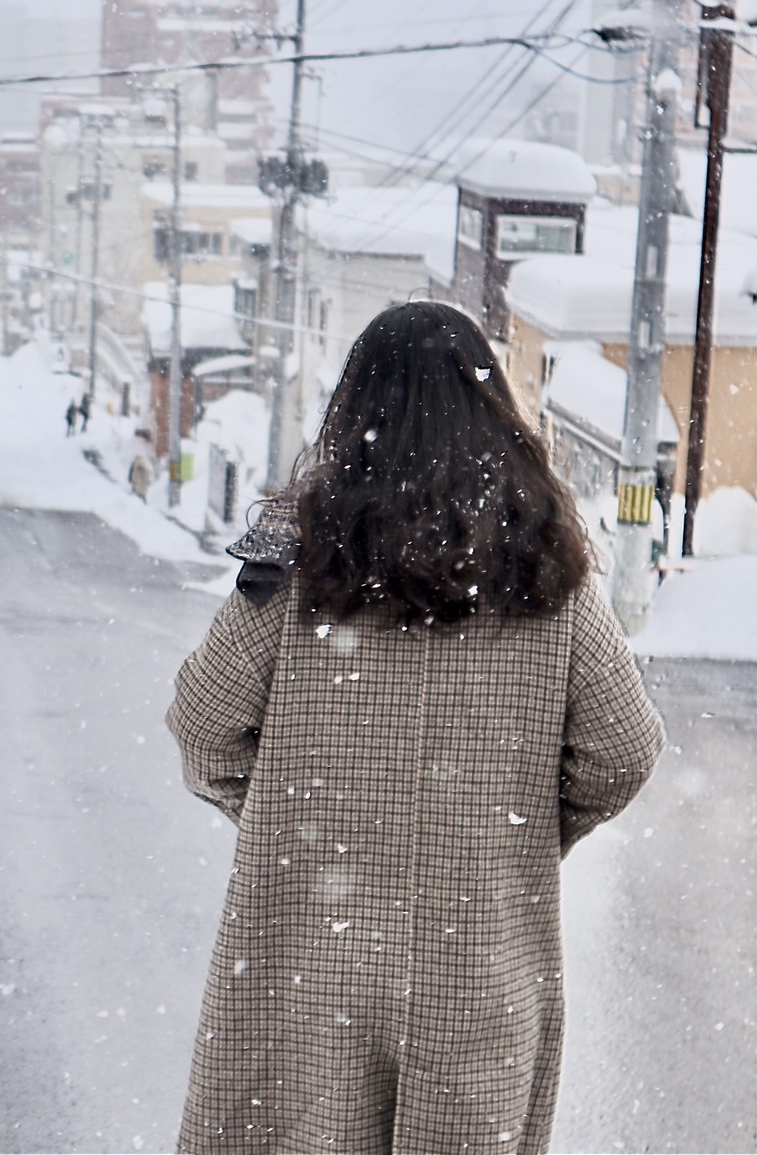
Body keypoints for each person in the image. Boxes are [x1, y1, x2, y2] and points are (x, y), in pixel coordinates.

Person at [165, 301, 664, 1154]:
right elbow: (622, 751)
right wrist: (516, 834)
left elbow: (206, 725)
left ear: (353, 410)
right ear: (495, 411)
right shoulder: (550, 566)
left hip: (303, 966)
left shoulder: (294, 559)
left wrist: (293, 817)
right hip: (477, 966)